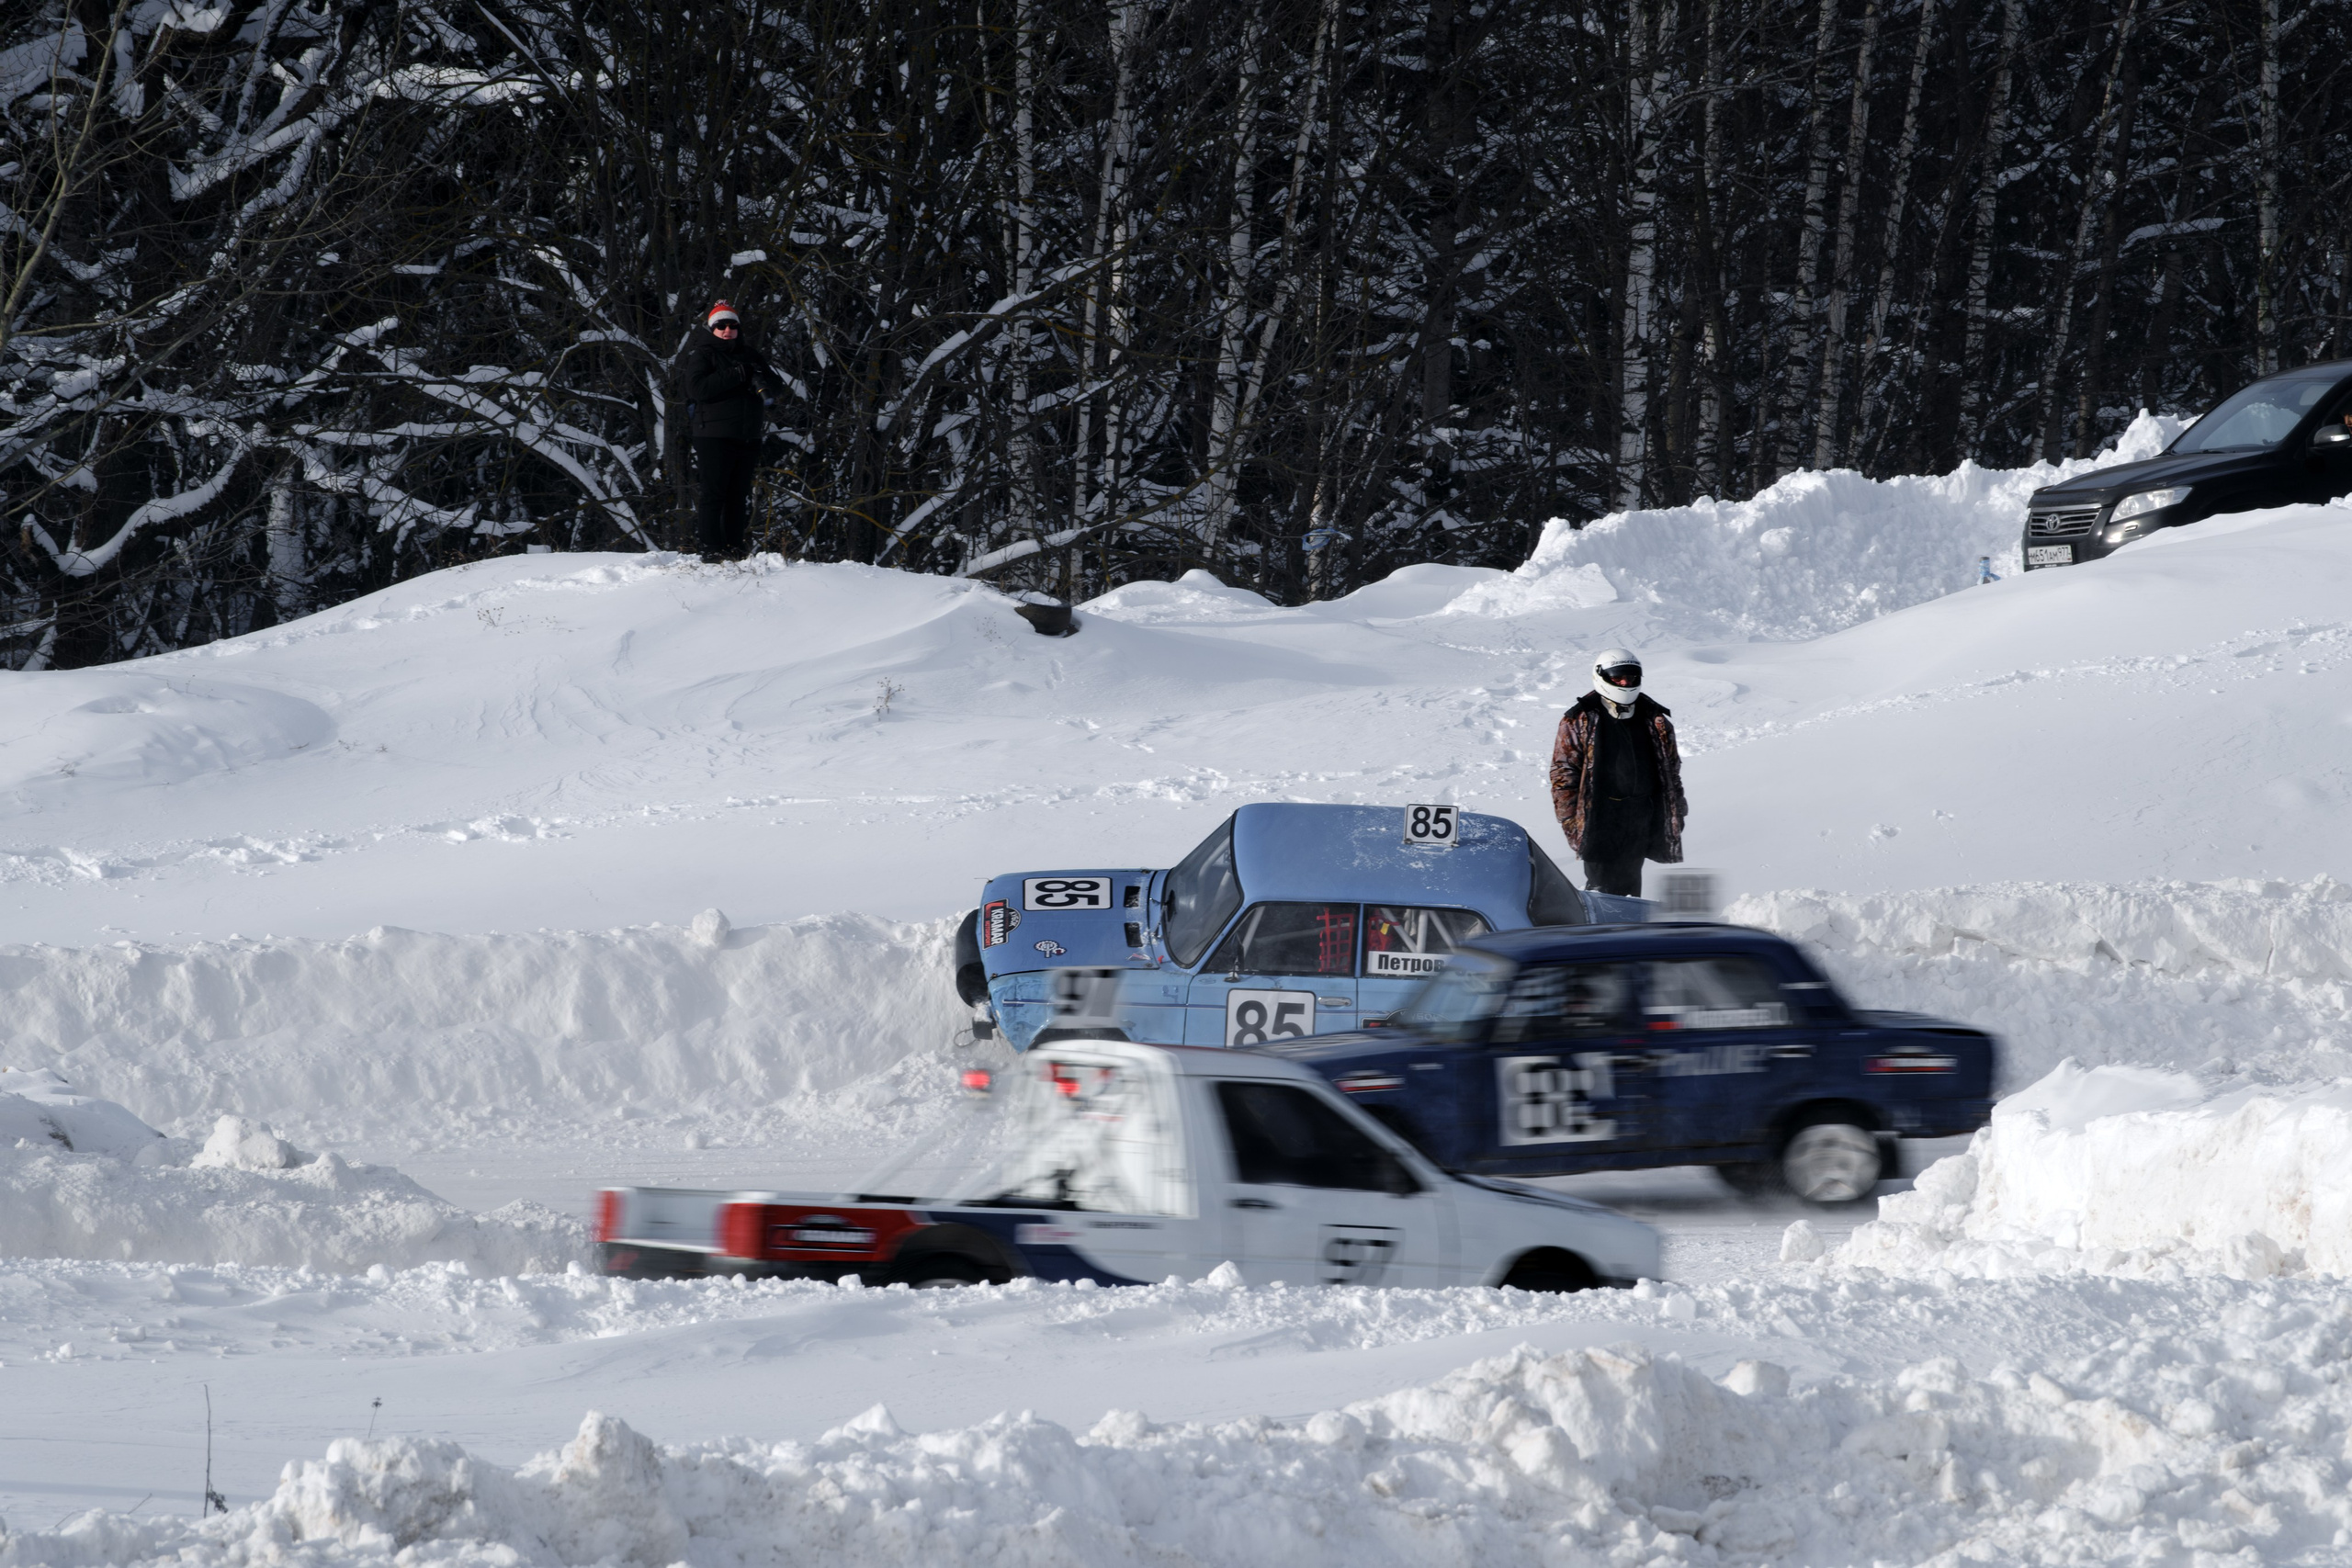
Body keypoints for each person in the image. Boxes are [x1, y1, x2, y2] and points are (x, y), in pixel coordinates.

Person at [1548, 649, 1687, 897]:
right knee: (1602, 887)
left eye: (1631, 677)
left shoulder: (1655, 719)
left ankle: (1630, 931)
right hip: (1600, 816)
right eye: (1618, 677)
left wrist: (1678, 808)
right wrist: (1569, 819)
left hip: (1641, 814)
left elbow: (1671, 771)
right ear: (1602, 676)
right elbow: (1563, 773)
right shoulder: (1579, 719)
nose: (1625, 682)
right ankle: (1601, 932)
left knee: (1631, 883)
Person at [679, 300, 783, 558]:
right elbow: (697, 389)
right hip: (713, 435)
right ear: (712, 329)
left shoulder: (750, 355)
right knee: (714, 493)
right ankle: (711, 548)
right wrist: (738, 374)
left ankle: (736, 547)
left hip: (747, 434)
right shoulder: (703, 355)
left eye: (732, 326)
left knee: (738, 494)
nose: (727, 331)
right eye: (721, 326)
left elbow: (776, 387)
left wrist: (760, 380)